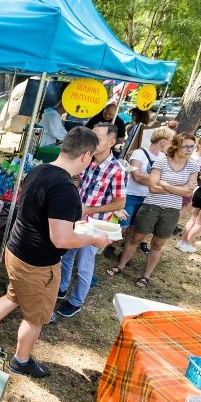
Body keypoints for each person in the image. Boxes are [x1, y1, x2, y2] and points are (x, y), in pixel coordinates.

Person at [0, 127, 110, 378]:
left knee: (13, 296)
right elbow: (61, 238)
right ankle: (20, 361)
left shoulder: (39, 170)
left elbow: (42, 217)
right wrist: (94, 239)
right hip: (37, 263)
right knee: (35, 318)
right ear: (86, 156)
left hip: (17, 251)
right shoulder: (65, 188)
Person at [108, 133, 199, 288]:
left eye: (192, 146)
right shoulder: (162, 160)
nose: (189, 149)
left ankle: (146, 276)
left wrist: (166, 185)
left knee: (157, 244)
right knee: (136, 238)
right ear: (176, 146)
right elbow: (152, 187)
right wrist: (179, 189)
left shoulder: (193, 165)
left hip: (172, 210)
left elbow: (189, 192)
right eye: (185, 146)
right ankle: (121, 265)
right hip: (151, 205)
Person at [56, 122, 126, 318]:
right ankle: (61, 289)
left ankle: (76, 302)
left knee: (85, 265)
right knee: (67, 257)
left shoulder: (117, 170)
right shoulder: (88, 161)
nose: (93, 142)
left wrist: (92, 209)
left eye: (99, 138)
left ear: (112, 142)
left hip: (95, 226)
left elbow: (120, 203)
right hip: (78, 219)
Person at [118, 127, 175, 255]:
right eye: (171, 141)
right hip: (131, 194)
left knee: (134, 228)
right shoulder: (139, 153)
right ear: (163, 141)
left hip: (147, 197)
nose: (172, 145)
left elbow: (154, 177)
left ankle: (125, 254)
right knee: (122, 226)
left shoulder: (163, 157)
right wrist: (157, 180)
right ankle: (109, 247)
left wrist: (151, 179)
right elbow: (137, 176)